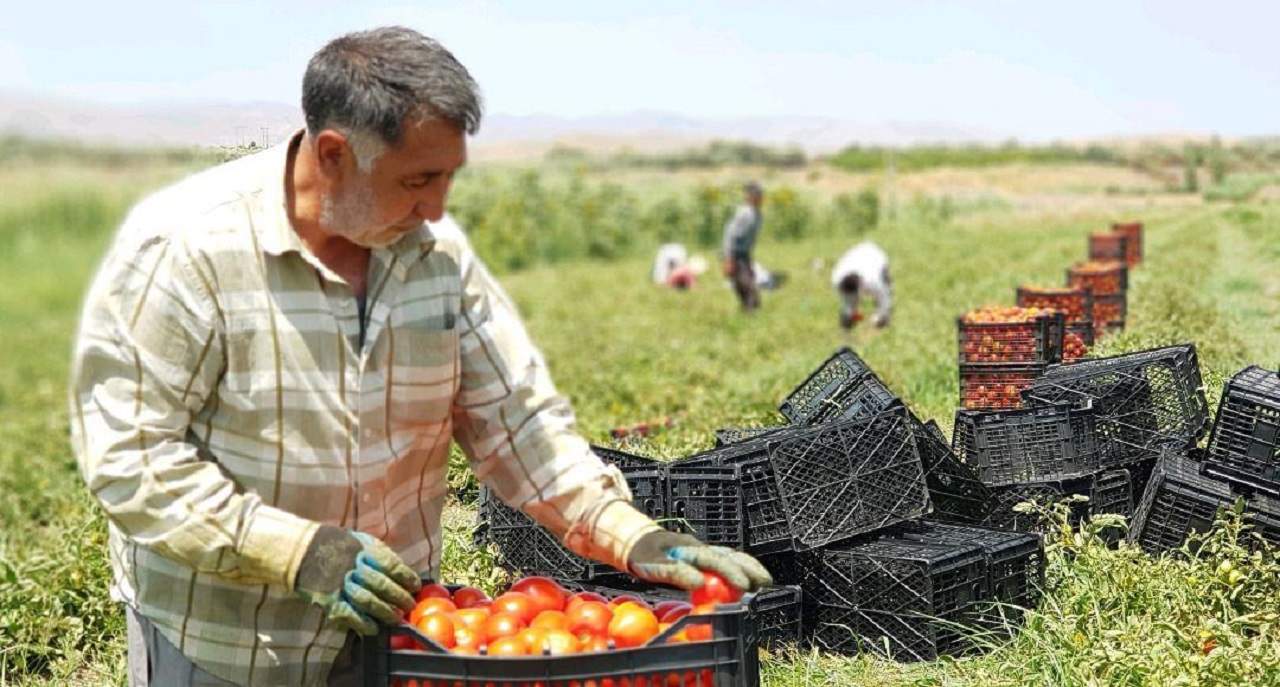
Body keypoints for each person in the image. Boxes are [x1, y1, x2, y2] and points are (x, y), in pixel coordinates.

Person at [69, 27, 770, 687]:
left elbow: (518, 423)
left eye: (447, 179)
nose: (437, 207)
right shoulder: (187, 249)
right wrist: (295, 551)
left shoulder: (436, 258)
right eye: (417, 180)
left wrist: (633, 536)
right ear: (335, 155)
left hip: (395, 635)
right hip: (228, 644)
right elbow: (129, 456)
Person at [831, 241, 893, 329]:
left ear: (861, 285)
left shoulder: (873, 280)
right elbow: (847, 301)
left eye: (854, 294)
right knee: (849, 310)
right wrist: (853, 315)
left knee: (884, 293)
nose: (852, 297)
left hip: (875, 255)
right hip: (857, 255)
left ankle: (883, 319)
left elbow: (884, 297)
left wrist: (881, 315)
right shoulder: (836, 279)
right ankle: (849, 321)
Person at [721, 181, 763, 311]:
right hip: (735, 254)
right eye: (755, 195)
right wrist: (729, 258)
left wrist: (749, 258)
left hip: (745, 254)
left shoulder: (758, 215)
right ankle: (749, 311)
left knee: (745, 283)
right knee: (745, 285)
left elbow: (750, 239)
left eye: (760, 195)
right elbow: (730, 234)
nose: (759, 197)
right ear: (748, 197)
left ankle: (747, 310)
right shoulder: (744, 213)